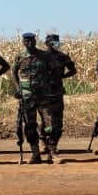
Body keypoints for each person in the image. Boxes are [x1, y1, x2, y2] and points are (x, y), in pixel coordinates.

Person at [10, 33, 59, 164]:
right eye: (27, 41)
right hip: (27, 97)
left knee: (50, 125)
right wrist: (18, 89)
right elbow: (13, 73)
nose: (30, 43)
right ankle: (35, 153)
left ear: (35, 41)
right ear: (23, 42)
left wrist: (49, 83)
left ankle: (52, 152)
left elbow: (55, 70)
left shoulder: (45, 56)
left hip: (44, 97)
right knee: (30, 126)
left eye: (32, 41)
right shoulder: (20, 57)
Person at [42, 34, 76, 161]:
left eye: (57, 42)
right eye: (53, 42)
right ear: (47, 43)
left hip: (57, 93)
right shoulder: (41, 56)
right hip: (44, 94)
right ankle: (45, 143)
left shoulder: (63, 57)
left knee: (57, 122)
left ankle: (53, 145)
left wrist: (62, 77)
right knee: (46, 121)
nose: (56, 44)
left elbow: (73, 70)